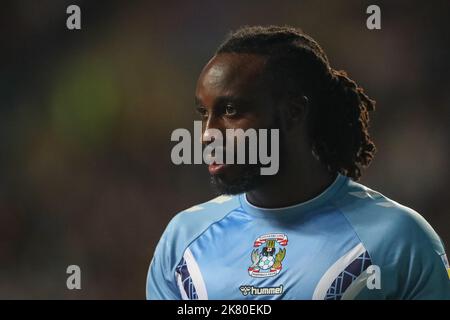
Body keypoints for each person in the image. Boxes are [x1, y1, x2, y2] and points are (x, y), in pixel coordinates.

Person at [146, 25, 450, 300]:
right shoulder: (182, 242)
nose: (207, 135)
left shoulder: (399, 240)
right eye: (204, 113)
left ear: (293, 112)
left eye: (230, 111)